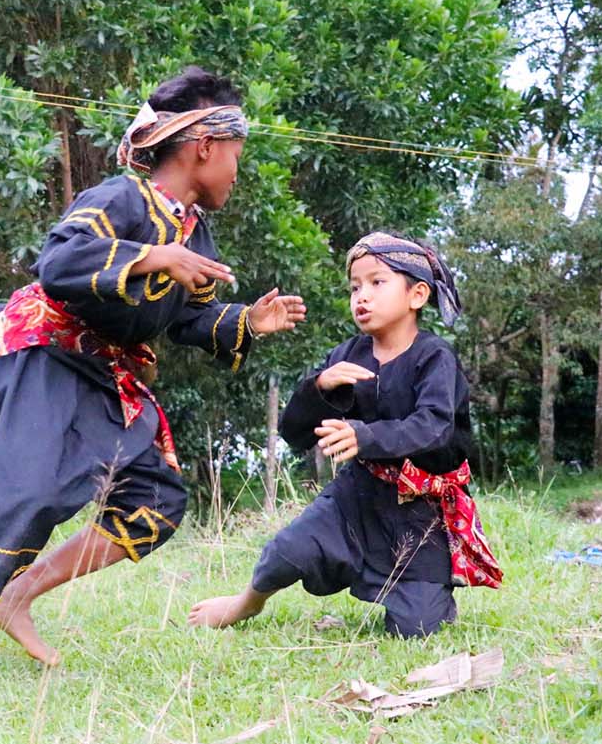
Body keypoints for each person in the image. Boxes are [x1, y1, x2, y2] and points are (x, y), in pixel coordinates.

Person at [0, 66, 307, 689]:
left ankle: (16, 597)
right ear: (203, 146)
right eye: (235, 153)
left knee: (156, 498)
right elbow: (59, 262)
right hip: (40, 353)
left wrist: (248, 322)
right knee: (27, 490)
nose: (237, 169)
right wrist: (154, 255)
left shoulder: (194, 230)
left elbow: (188, 318)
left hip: (102, 371)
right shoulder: (119, 198)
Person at [189, 232, 500, 639]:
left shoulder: (435, 356)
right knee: (287, 551)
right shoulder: (345, 357)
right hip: (356, 496)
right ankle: (245, 603)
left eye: (376, 282)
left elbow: (435, 427)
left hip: (418, 514)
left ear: (417, 295)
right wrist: (317, 388)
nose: (362, 297)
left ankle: (429, 595)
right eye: (355, 287)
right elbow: (295, 433)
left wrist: (364, 435)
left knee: (417, 629)